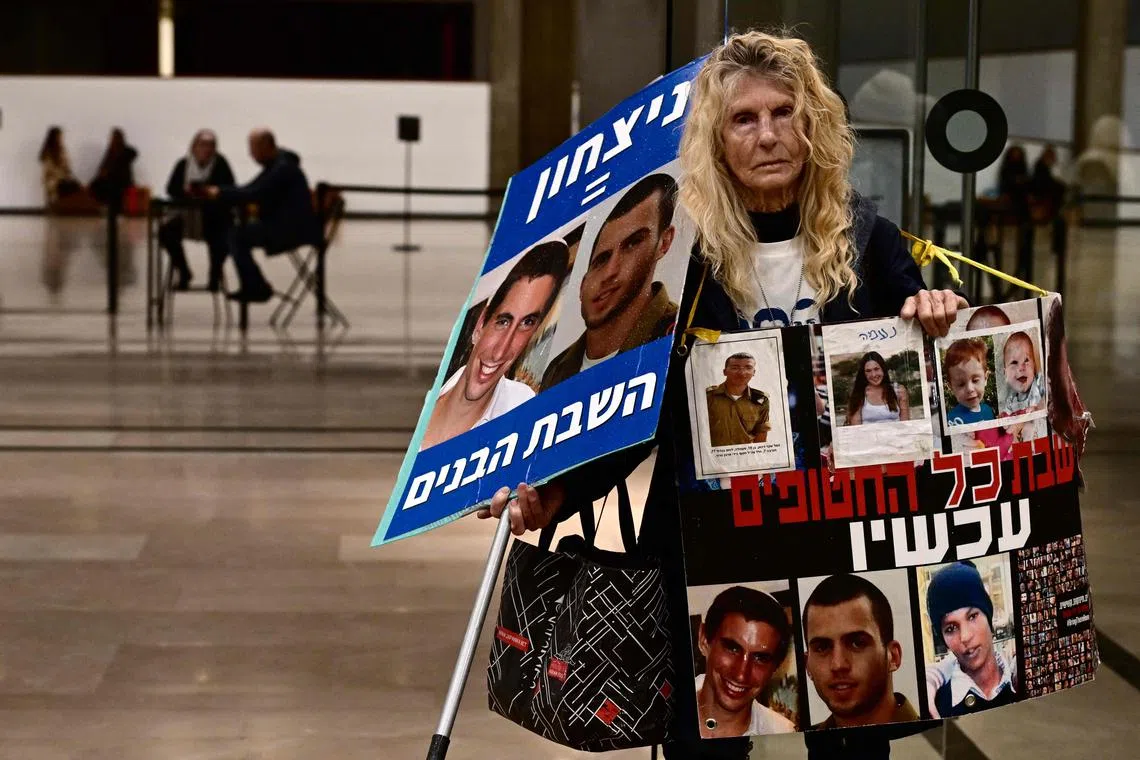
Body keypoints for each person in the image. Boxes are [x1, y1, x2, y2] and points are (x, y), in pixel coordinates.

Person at [478, 30, 964, 759]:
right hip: (707, 531)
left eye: (784, 112)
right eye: (744, 119)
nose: (768, 134)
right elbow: (638, 414)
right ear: (715, 137)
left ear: (813, 124)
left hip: (837, 526)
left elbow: (933, 352)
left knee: (854, 743)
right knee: (707, 740)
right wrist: (554, 494)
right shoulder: (689, 265)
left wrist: (938, 311)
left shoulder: (866, 237)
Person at [421, 241, 570, 449]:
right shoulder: (423, 399)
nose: (501, 351)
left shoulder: (520, 409)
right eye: (503, 321)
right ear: (480, 324)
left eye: (527, 323)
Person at [540, 173, 679, 389]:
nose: (610, 273)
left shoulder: (676, 337)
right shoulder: (556, 370)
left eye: (633, 244)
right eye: (601, 261)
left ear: (664, 242)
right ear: (582, 284)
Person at [205, 128, 322, 303]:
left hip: (291, 230)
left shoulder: (282, 168)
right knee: (234, 233)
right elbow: (251, 189)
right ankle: (253, 284)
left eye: (253, 149)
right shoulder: (278, 165)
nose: (251, 155)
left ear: (266, 146)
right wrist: (223, 192)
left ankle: (255, 286)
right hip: (288, 225)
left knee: (236, 235)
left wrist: (221, 193)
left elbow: (255, 193)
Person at [802, 574, 919, 729]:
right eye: (822, 648)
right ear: (807, 665)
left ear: (893, 656)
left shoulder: (942, 741)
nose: (838, 664)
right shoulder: (795, 750)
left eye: (857, 643)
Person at [695, 586, 796, 738]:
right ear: (704, 640)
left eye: (760, 658)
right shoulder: (659, 715)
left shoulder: (784, 734)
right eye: (732, 648)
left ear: (776, 666)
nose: (741, 674)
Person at [924, 562, 1017, 717]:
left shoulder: (1018, 680)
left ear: (988, 615)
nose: (965, 636)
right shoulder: (936, 707)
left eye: (972, 616)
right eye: (951, 628)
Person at [159, 130, 236, 291]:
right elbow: (171, 188)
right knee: (165, 233)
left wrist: (209, 192)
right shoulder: (183, 164)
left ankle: (215, 276)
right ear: (194, 147)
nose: (206, 149)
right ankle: (184, 271)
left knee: (223, 237)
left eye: (211, 145)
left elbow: (229, 189)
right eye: (203, 145)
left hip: (213, 216)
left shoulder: (221, 164)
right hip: (186, 214)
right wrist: (187, 192)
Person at [706, 352, 771, 446]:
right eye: (735, 368)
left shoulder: (761, 400)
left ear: (754, 372)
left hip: (745, 457)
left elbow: (761, 437)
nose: (742, 373)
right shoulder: (708, 396)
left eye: (748, 368)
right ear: (725, 372)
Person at [844, 351, 909, 425]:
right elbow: (856, 428)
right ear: (863, 373)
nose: (873, 374)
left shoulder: (898, 390)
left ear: (883, 369)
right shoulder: (858, 393)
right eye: (868, 371)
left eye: (876, 369)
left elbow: (905, 425)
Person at [943, 338, 995, 426]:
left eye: (975, 380)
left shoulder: (988, 411)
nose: (969, 389)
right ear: (951, 387)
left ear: (985, 378)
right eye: (961, 384)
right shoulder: (951, 421)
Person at [90, 127, 138, 207]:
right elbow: (104, 164)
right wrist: (102, 173)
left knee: (113, 187)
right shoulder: (111, 150)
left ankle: (112, 206)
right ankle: (108, 204)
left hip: (122, 179)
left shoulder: (126, 150)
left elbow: (131, 157)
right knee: (95, 185)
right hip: (111, 178)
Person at [38, 126, 83, 207]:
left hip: (63, 177)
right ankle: (57, 205)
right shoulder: (47, 152)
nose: (61, 139)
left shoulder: (62, 149)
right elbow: (49, 170)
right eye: (60, 136)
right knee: (67, 186)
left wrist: (66, 168)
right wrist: (61, 175)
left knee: (77, 186)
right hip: (52, 179)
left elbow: (67, 163)